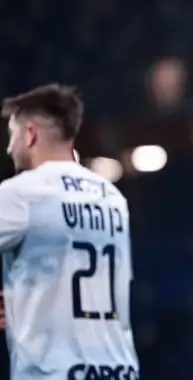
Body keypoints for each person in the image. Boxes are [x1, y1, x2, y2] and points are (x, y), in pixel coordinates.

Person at [0, 84, 139, 379]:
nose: (9, 148)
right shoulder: (112, 197)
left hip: (53, 372)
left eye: (12, 135)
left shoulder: (21, 193)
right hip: (119, 370)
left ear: (30, 134)